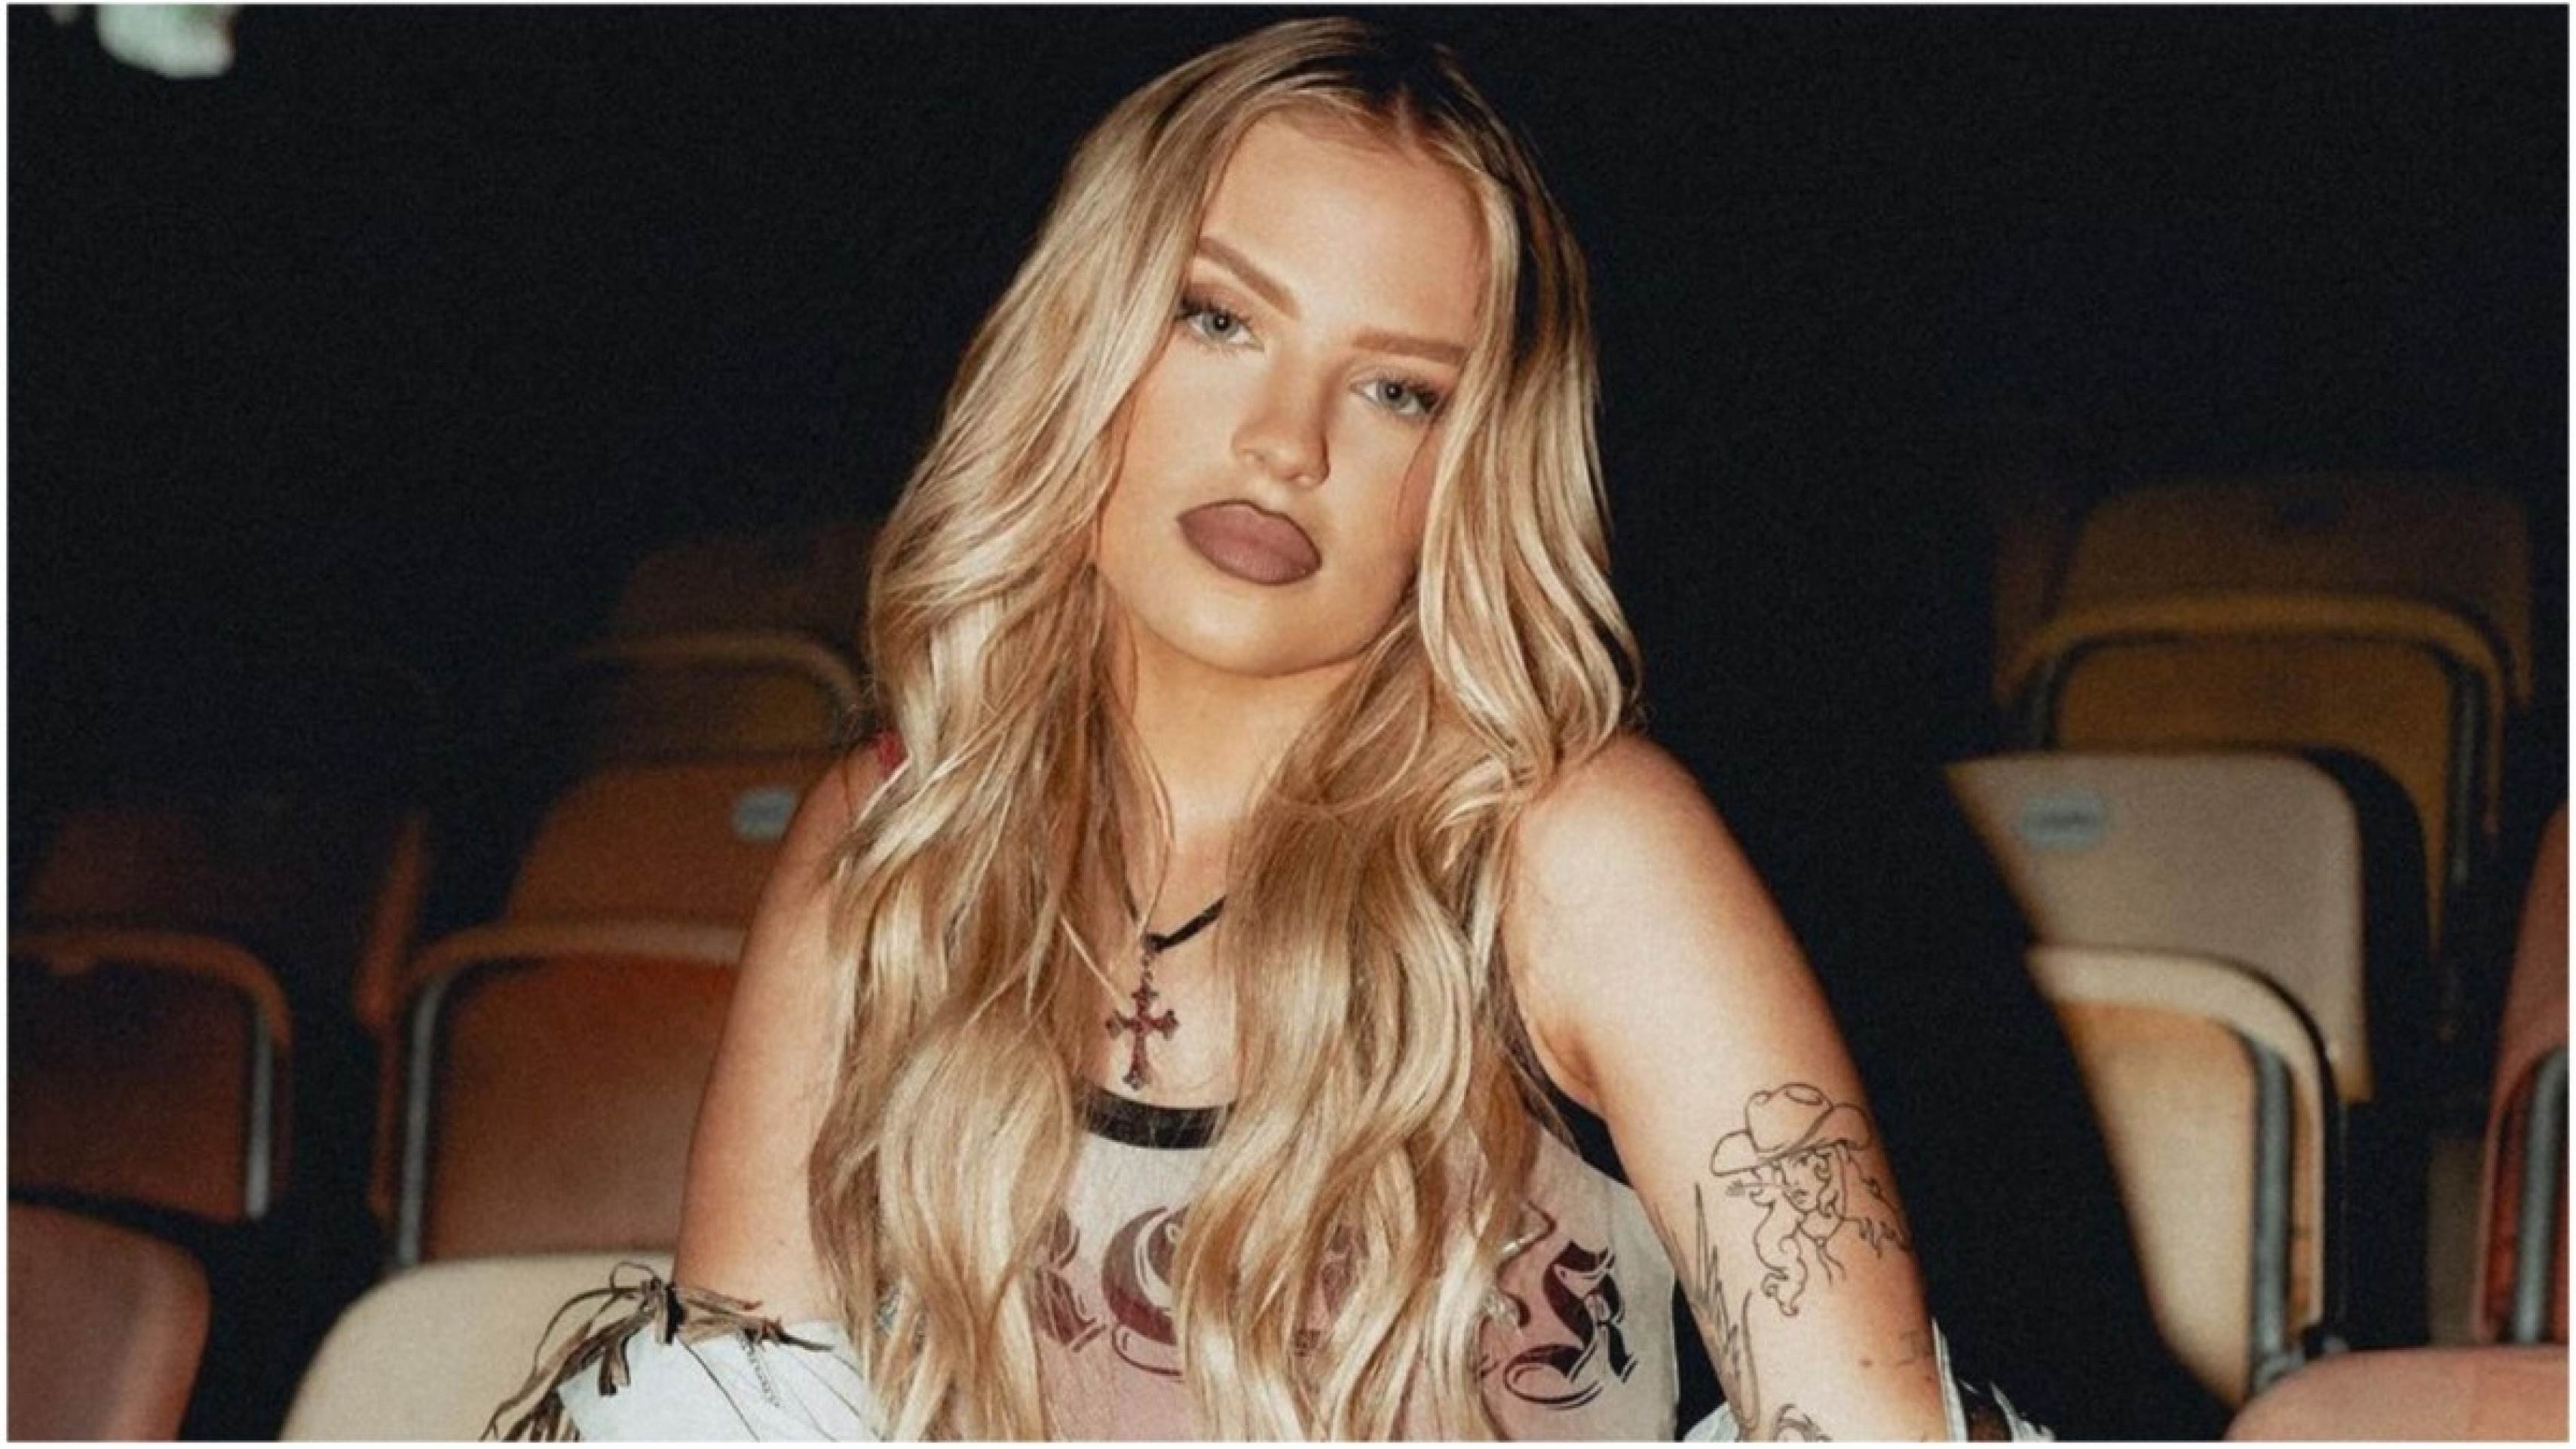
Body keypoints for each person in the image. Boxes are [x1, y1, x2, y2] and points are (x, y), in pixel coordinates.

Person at [489, 17, 2044, 1441]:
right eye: (1217, 318)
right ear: (1083, 337)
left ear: (1474, 468)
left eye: (1397, 392)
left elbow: (1867, 1427)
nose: (1284, 442)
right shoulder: (899, 825)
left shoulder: (1579, 852)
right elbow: (727, 1412)